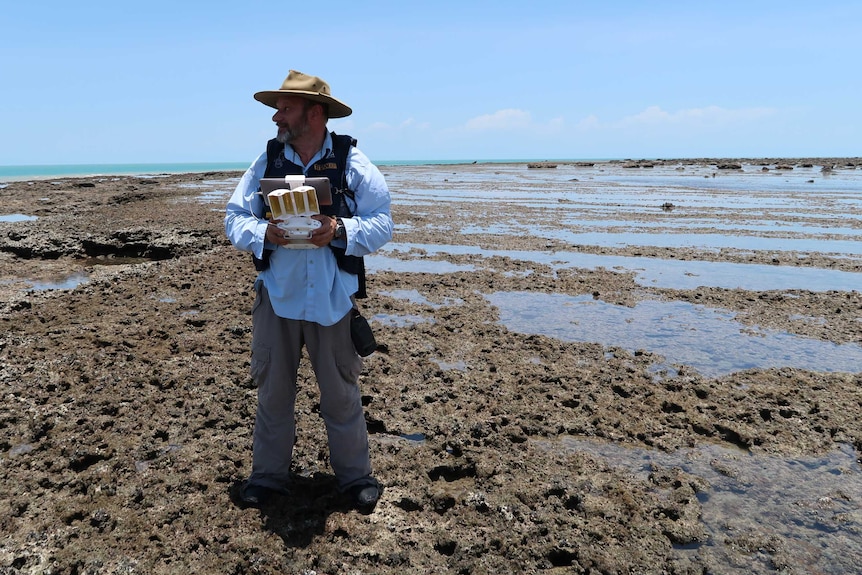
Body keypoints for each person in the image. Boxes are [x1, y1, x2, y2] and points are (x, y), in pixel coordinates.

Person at [224, 70, 393, 510]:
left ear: (313, 113)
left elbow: (383, 223)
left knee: (341, 395)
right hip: (276, 298)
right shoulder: (265, 163)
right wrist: (264, 235)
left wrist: (339, 229)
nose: (276, 117)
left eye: (285, 107)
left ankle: (355, 480)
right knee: (273, 395)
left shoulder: (352, 164)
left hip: (334, 301)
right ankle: (267, 478)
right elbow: (234, 218)